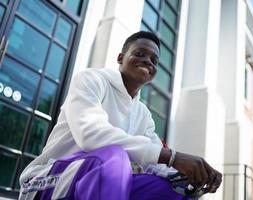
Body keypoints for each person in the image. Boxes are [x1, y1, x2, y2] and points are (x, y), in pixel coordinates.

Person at [19, 31, 222, 200]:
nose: (147, 61)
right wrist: (173, 157)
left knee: (173, 190)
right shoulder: (91, 79)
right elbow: (91, 135)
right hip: (44, 183)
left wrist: (190, 176)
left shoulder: (143, 114)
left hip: (96, 185)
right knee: (113, 157)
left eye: (154, 60)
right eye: (140, 54)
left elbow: (156, 162)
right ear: (120, 58)